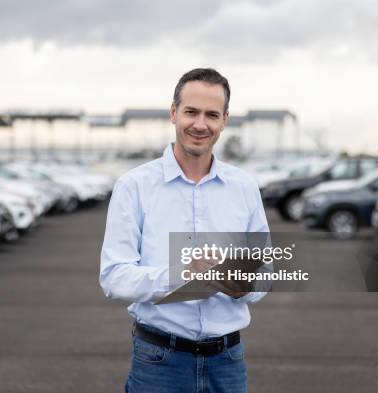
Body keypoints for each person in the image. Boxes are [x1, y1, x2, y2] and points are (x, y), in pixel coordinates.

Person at [99, 68, 269, 393]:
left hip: (228, 362)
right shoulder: (134, 186)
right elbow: (114, 276)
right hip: (159, 361)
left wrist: (239, 285)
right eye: (191, 112)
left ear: (225, 121)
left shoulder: (245, 188)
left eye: (212, 115)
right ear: (174, 113)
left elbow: (265, 273)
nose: (200, 124)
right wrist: (183, 275)